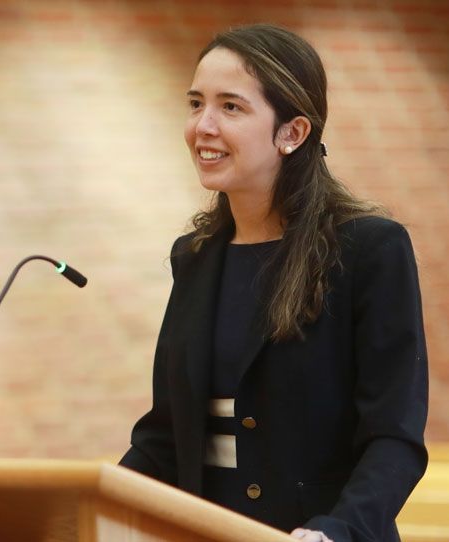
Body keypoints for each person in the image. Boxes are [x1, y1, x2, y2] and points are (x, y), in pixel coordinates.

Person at [119, 24, 428, 542]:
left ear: (293, 133)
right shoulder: (193, 258)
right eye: (196, 104)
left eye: (231, 107)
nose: (203, 126)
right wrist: (82, 509)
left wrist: (336, 531)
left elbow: (393, 436)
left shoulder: (370, 250)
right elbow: (166, 437)